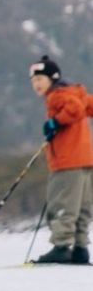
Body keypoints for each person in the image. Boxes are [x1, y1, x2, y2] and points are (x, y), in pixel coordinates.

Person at [28, 55, 93, 264]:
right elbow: (85, 106)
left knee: (61, 203)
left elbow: (73, 109)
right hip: (85, 160)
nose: (36, 84)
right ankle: (80, 248)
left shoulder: (57, 95)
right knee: (82, 206)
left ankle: (62, 246)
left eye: (40, 79)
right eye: (33, 81)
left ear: (52, 79)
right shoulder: (75, 92)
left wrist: (55, 122)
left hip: (67, 161)